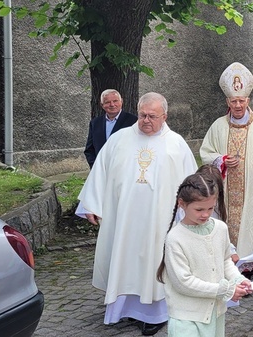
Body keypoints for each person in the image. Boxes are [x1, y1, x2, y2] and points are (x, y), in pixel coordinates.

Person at [77, 92, 197, 336]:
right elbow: (100, 171)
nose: (145, 120)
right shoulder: (120, 139)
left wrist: (191, 212)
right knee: (125, 258)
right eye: (142, 115)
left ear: (165, 116)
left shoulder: (176, 144)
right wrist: (90, 204)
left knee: (155, 261)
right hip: (124, 218)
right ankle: (122, 308)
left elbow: (190, 182)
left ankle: (154, 314)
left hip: (160, 220)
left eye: (152, 116)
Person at [200, 62, 253, 278]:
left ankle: (247, 269)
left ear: (248, 100)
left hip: (252, 190)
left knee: (250, 228)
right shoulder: (218, 126)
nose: (238, 105)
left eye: (241, 100)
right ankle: (225, 266)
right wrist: (222, 160)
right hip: (226, 192)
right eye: (234, 101)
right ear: (227, 101)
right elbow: (205, 152)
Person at [157, 173, 253, 337]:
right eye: (199, 209)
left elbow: (225, 261)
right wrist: (225, 290)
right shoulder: (175, 239)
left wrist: (238, 280)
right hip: (186, 317)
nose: (206, 214)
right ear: (182, 204)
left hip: (215, 313)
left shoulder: (220, 228)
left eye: (210, 208)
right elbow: (183, 282)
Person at [83, 89, 138, 168]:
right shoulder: (95, 123)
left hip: (124, 169)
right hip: (100, 169)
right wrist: (96, 167)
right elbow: (89, 149)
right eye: (107, 102)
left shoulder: (133, 121)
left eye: (115, 101)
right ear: (102, 105)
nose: (112, 104)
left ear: (121, 101)